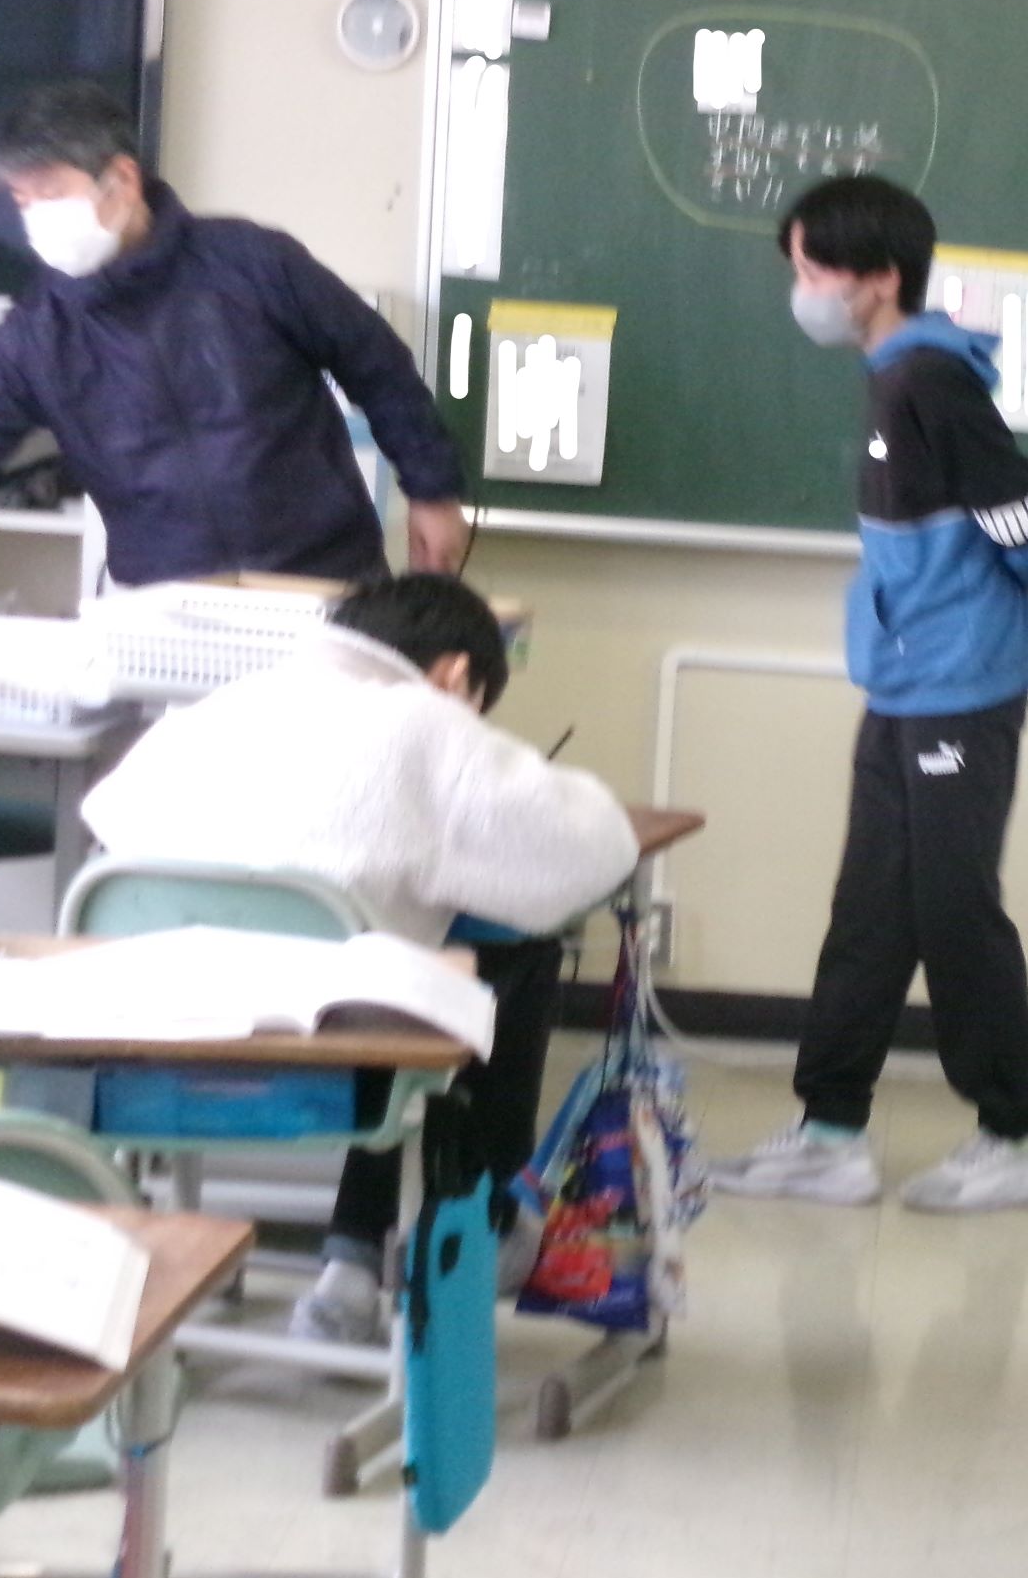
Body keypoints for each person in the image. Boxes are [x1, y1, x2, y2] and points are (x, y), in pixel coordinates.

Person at [82, 574, 639, 1342]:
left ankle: (349, 1254)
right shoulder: (426, 724)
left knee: (397, 963)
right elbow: (593, 850)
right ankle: (475, 1213)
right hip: (336, 1054)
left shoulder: (222, 707)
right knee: (501, 957)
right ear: (454, 676)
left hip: (149, 1046)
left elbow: (106, 818)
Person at [708, 174, 1028, 1214]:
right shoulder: (892, 376)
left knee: (953, 907)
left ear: (877, 278)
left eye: (814, 270)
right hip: (905, 681)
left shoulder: (928, 381)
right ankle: (830, 1131)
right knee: (870, 907)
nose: (802, 290)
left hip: (960, 685)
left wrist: (976, 593)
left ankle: (1011, 1138)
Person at [0, 82, 471, 604]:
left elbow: (376, 363)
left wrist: (433, 490)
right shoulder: (35, 338)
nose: (34, 217)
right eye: (21, 199)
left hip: (326, 585)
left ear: (121, 179)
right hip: (171, 609)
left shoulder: (253, 262)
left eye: (51, 193)